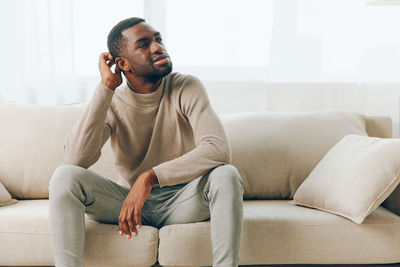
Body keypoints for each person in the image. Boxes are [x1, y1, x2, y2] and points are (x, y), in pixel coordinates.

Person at [49, 17, 244, 267]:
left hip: (183, 200)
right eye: (143, 44)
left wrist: (150, 177)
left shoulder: (186, 86)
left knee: (226, 175)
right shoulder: (114, 101)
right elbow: (76, 159)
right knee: (65, 176)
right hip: (129, 205)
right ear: (123, 64)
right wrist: (106, 87)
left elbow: (217, 149)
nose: (157, 47)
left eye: (158, 39)